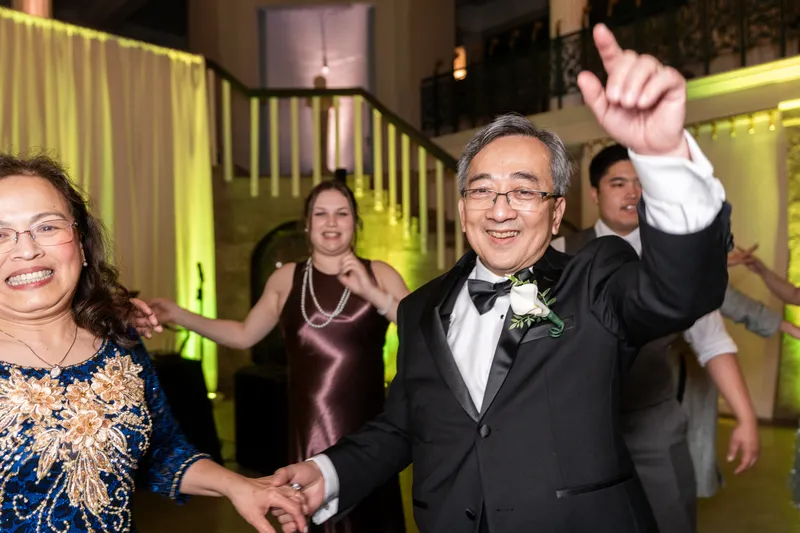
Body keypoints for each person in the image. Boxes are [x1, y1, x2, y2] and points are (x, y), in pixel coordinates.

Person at [270, 24, 732, 533]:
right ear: (463, 208)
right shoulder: (419, 309)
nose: (500, 209)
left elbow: (680, 291)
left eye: (524, 191)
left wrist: (664, 158)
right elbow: (403, 425)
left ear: (556, 214)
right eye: (483, 191)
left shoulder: (596, 275)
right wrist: (328, 472)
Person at [0, 154, 308, 533]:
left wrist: (238, 485)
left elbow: (160, 451)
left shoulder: (118, 342)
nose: (26, 249)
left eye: (46, 227)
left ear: (80, 244)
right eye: (0, 234)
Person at [144, 179, 409, 533]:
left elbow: (422, 332)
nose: (331, 223)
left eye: (341, 214)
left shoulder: (380, 274)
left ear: (355, 223)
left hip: (369, 434)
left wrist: (372, 293)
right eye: (321, 214)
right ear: (307, 224)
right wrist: (179, 315)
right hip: (308, 434)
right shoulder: (287, 278)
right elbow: (243, 335)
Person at [551, 143, 758, 532]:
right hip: (580, 431)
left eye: (640, 182)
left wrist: (745, 417)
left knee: (672, 520)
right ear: (595, 193)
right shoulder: (559, 253)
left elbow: (712, 340)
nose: (632, 192)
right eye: (618, 183)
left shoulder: (674, 266)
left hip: (654, 426)